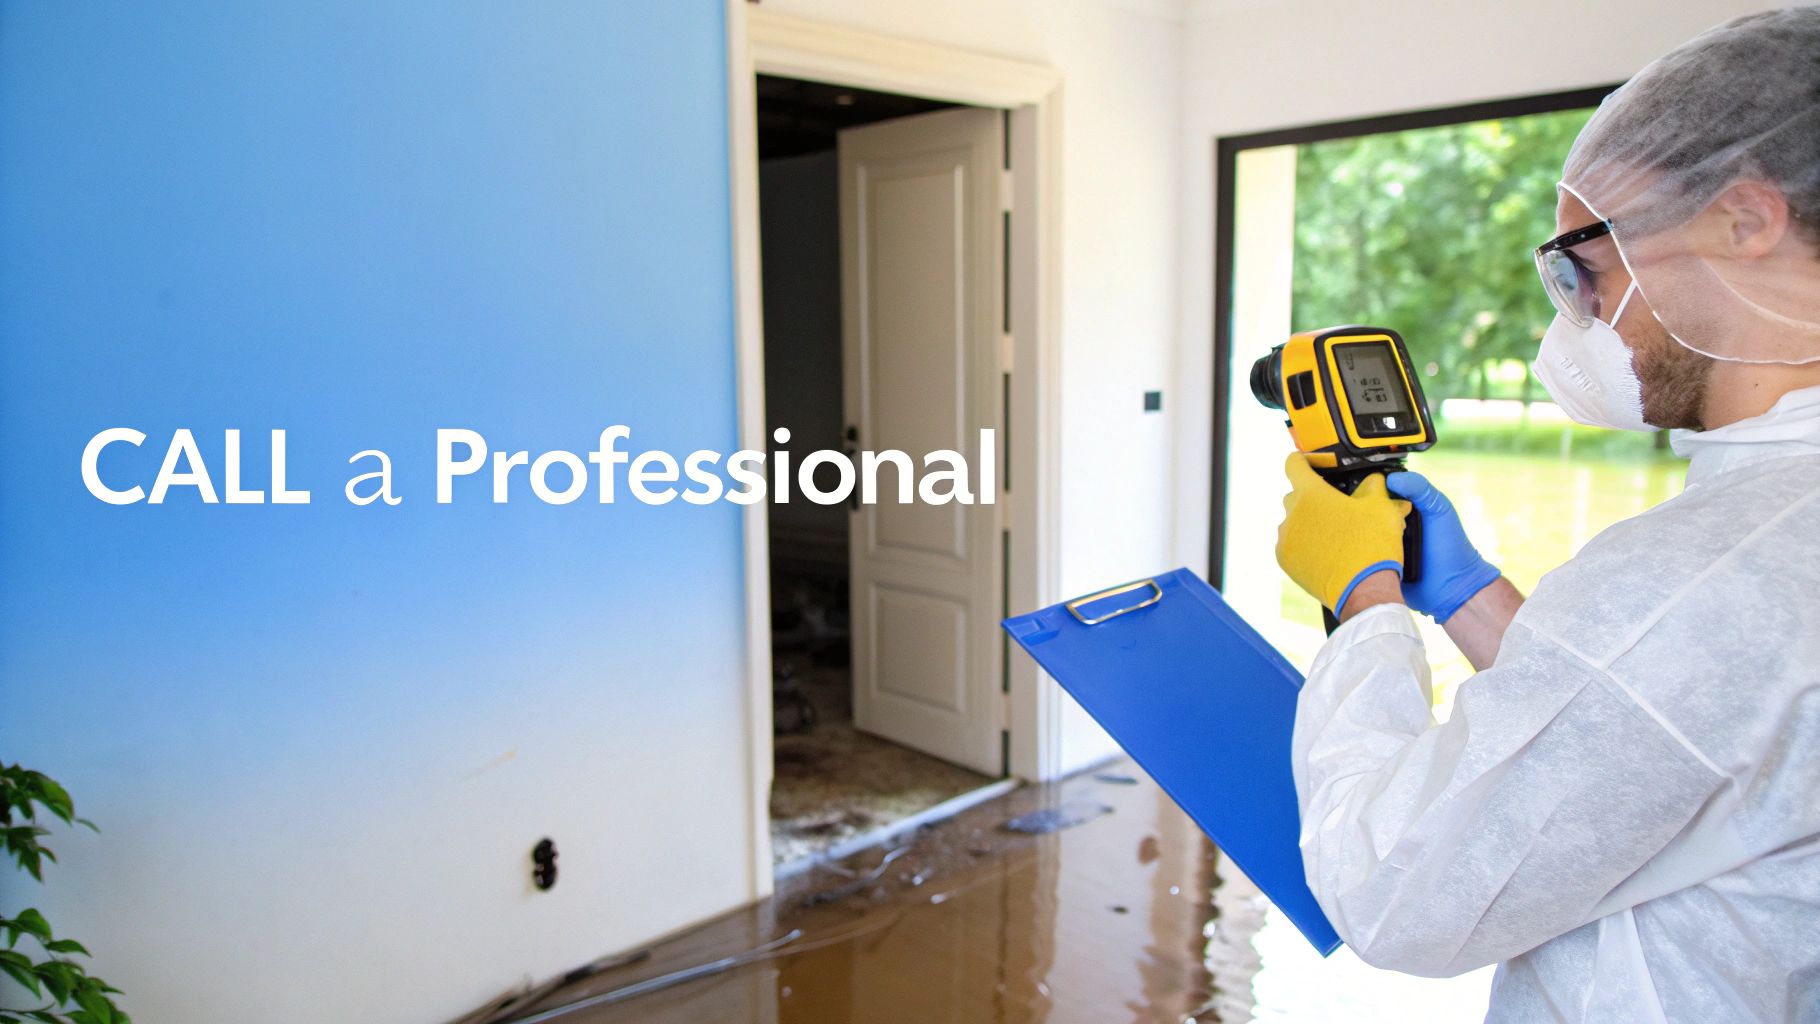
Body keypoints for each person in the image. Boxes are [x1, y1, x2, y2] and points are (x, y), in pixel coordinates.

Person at [1272, 9, 1820, 1022]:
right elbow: (1654, 734)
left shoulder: (1701, 579)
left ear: (1741, 223)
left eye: (1584, 265)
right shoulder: (1761, 542)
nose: (1573, 313)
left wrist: (1365, 604)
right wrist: (1471, 596)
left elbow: (1386, 888)